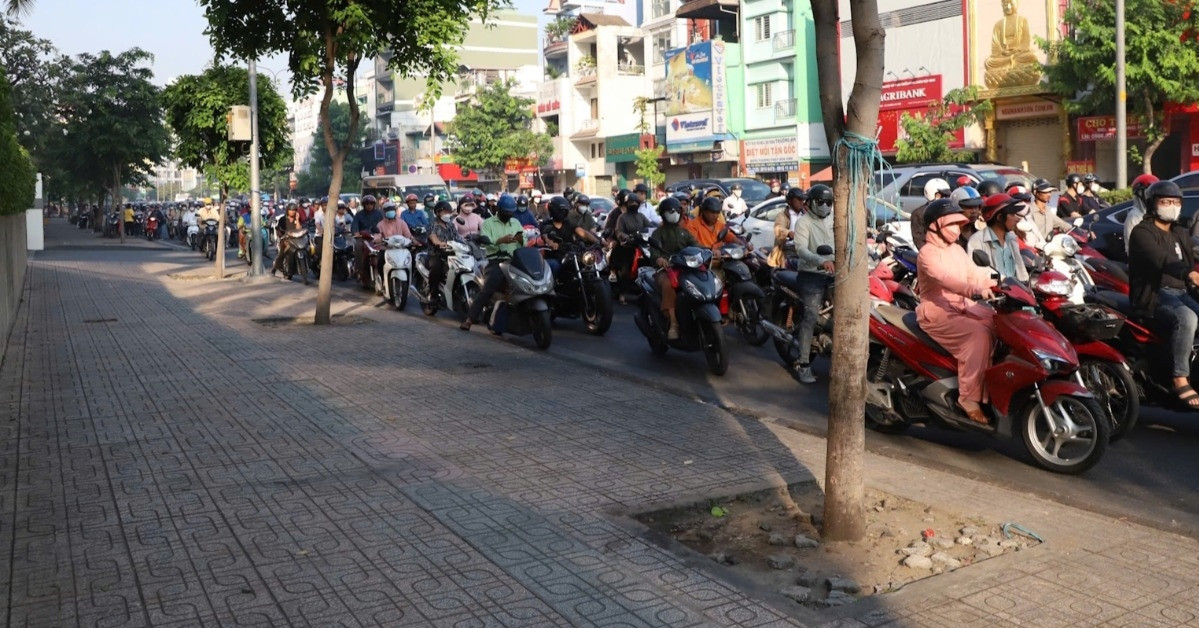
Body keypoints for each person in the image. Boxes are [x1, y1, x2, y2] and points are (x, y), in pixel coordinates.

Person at [915, 200, 999, 424]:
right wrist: (975, 290)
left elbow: (974, 274)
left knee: (1000, 324)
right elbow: (946, 279)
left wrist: (999, 283)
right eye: (950, 224)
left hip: (963, 306)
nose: (956, 229)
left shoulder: (958, 250)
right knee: (978, 335)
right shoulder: (927, 253)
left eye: (957, 224)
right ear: (935, 226)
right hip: (937, 311)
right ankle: (968, 398)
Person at [1128, 181, 1199, 407]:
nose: (1172, 206)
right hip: (1153, 294)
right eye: (1165, 202)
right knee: (1187, 318)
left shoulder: (1179, 232)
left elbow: (1195, 247)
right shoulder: (1142, 232)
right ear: (1153, 204)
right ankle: (1180, 377)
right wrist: (1188, 273)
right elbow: (1160, 258)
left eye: (1176, 202)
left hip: (1181, 292)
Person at [787, 184, 836, 384]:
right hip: (811, 274)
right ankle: (804, 363)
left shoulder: (834, 220)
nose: (825, 206)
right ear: (811, 202)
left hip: (835, 272)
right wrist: (820, 261)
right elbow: (801, 250)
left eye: (828, 203)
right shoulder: (803, 223)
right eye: (821, 202)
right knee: (811, 316)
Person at [462, 194, 525, 330]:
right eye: (506, 212)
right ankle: (469, 319)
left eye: (511, 212)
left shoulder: (516, 223)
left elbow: (524, 240)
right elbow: (487, 241)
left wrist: (520, 240)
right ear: (499, 210)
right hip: (497, 261)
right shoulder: (488, 223)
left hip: (515, 260)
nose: (509, 215)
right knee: (487, 290)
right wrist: (500, 241)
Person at [648, 197, 700, 340]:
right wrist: (659, 259)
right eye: (670, 211)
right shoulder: (658, 233)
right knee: (667, 284)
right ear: (663, 213)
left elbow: (697, 245)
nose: (674, 213)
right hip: (665, 271)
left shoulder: (684, 232)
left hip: (685, 268)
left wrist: (709, 251)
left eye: (676, 211)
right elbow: (654, 254)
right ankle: (673, 323)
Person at [603, 190, 652, 304]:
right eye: (630, 202)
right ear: (626, 204)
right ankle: (622, 293)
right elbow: (618, 231)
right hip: (626, 246)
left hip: (641, 245)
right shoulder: (622, 217)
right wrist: (626, 237)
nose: (633, 204)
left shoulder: (641, 216)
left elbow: (649, 227)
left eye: (635, 202)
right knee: (625, 271)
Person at [967, 193, 1029, 283]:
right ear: (999, 217)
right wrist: (1002, 279)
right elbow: (977, 272)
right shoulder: (977, 241)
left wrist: (1026, 286)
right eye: (1012, 214)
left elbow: (1020, 268)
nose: (1017, 219)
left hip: (1017, 292)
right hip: (995, 294)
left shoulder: (1011, 238)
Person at [541, 196, 599, 276]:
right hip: (556, 256)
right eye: (562, 211)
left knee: (586, 265)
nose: (564, 213)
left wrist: (597, 241)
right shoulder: (547, 224)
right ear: (555, 211)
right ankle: (553, 287)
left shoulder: (568, 223)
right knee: (554, 265)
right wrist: (551, 243)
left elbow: (583, 233)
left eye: (565, 211)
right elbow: (546, 236)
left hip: (571, 254)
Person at [426, 200, 466, 299]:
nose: (448, 214)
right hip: (436, 254)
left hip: (451, 253)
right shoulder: (433, 224)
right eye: (445, 212)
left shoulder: (450, 225)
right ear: (438, 213)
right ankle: (432, 294)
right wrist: (439, 243)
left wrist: (467, 241)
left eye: (449, 212)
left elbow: (458, 237)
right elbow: (433, 236)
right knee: (436, 269)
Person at [1024, 179, 1071, 248]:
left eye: (1050, 191)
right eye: (1045, 191)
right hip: (1034, 249)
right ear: (1035, 192)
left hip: (1049, 248)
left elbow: (1063, 224)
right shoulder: (1029, 211)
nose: (1049, 194)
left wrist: (1079, 232)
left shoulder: (1048, 212)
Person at [1124, 174, 1161, 256]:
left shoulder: (1157, 214)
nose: (1152, 197)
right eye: (1148, 193)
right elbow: (1133, 247)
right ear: (1139, 194)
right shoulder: (1134, 216)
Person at [910, 178, 951, 248]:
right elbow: (919, 239)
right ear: (933, 194)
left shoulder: (950, 211)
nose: (945, 198)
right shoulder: (919, 213)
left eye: (947, 196)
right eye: (942, 195)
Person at [773, 187, 808, 266]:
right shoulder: (783, 215)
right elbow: (778, 228)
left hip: (805, 248)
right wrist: (789, 233)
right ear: (790, 201)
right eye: (799, 199)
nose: (802, 202)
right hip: (789, 248)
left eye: (803, 200)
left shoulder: (806, 214)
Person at [270, 202, 306, 276]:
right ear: (287, 210)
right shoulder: (283, 219)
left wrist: (297, 219)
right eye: (291, 210)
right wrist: (280, 233)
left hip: (296, 239)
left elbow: (299, 229)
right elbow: (278, 230)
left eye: (294, 210)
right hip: (285, 239)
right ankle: (274, 268)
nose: (292, 212)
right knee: (281, 254)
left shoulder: (298, 219)